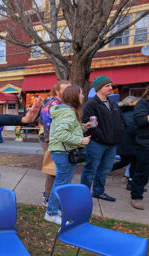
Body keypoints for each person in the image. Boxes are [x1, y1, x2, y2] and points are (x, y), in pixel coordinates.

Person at [45, 85, 91, 224]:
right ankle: (51, 213)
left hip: (62, 152)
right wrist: (80, 140)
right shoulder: (68, 112)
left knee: (62, 182)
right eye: (81, 93)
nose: (83, 96)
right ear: (74, 96)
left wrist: (83, 127)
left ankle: (55, 208)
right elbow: (61, 133)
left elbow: (66, 128)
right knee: (61, 183)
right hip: (64, 153)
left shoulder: (66, 111)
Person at [80, 76, 124, 202]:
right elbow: (87, 124)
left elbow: (120, 120)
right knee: (90, 169)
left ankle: (99, 192)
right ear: (99, 88)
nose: (111, 87)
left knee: (104, 170)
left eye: (111, 85)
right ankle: (84, 194)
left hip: (112, 144)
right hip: (96, 143)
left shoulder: (113, 103)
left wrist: (119, 134)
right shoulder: (91, 104)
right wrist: (100, 136)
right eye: (107, 85)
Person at [38, 80, 71, 205]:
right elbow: (48, 131)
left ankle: (53, 196)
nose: (70, 91)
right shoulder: (51, 105)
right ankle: (48, 198)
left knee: (58, 170)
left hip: (60, 140)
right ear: (58, 91)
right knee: (54, 170)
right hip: (51, 140)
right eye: (66, 88)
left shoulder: (65, 104)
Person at [110, 96, 139, 190]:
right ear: (131, 103)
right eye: (137, 102)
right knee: (133, 162)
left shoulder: (120, 111)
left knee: (125, 162)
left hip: (123, 143)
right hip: (131, 143)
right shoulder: (132, 113)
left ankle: (103, 171)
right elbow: (132, 128)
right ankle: (131, 183)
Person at [130, 87, 149, 210]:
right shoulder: (142, 103)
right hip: (145, 144)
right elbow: (139, 120)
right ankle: (136, 196)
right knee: (142, 172)